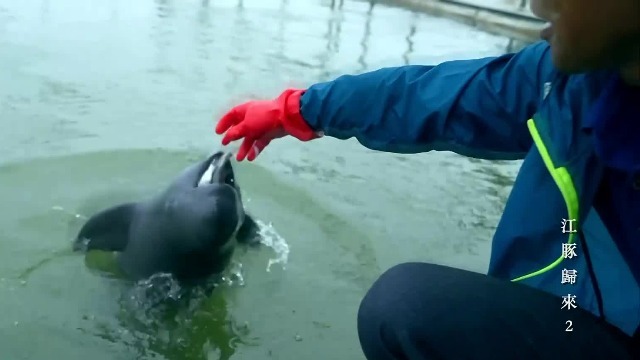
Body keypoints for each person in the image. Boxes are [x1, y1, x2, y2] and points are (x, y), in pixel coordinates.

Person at [213, 0, 640, 357]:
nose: (535, 3)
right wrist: (295, 111)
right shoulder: (568, 83)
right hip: (571, 316)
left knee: (405, 303)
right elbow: (432, 96)